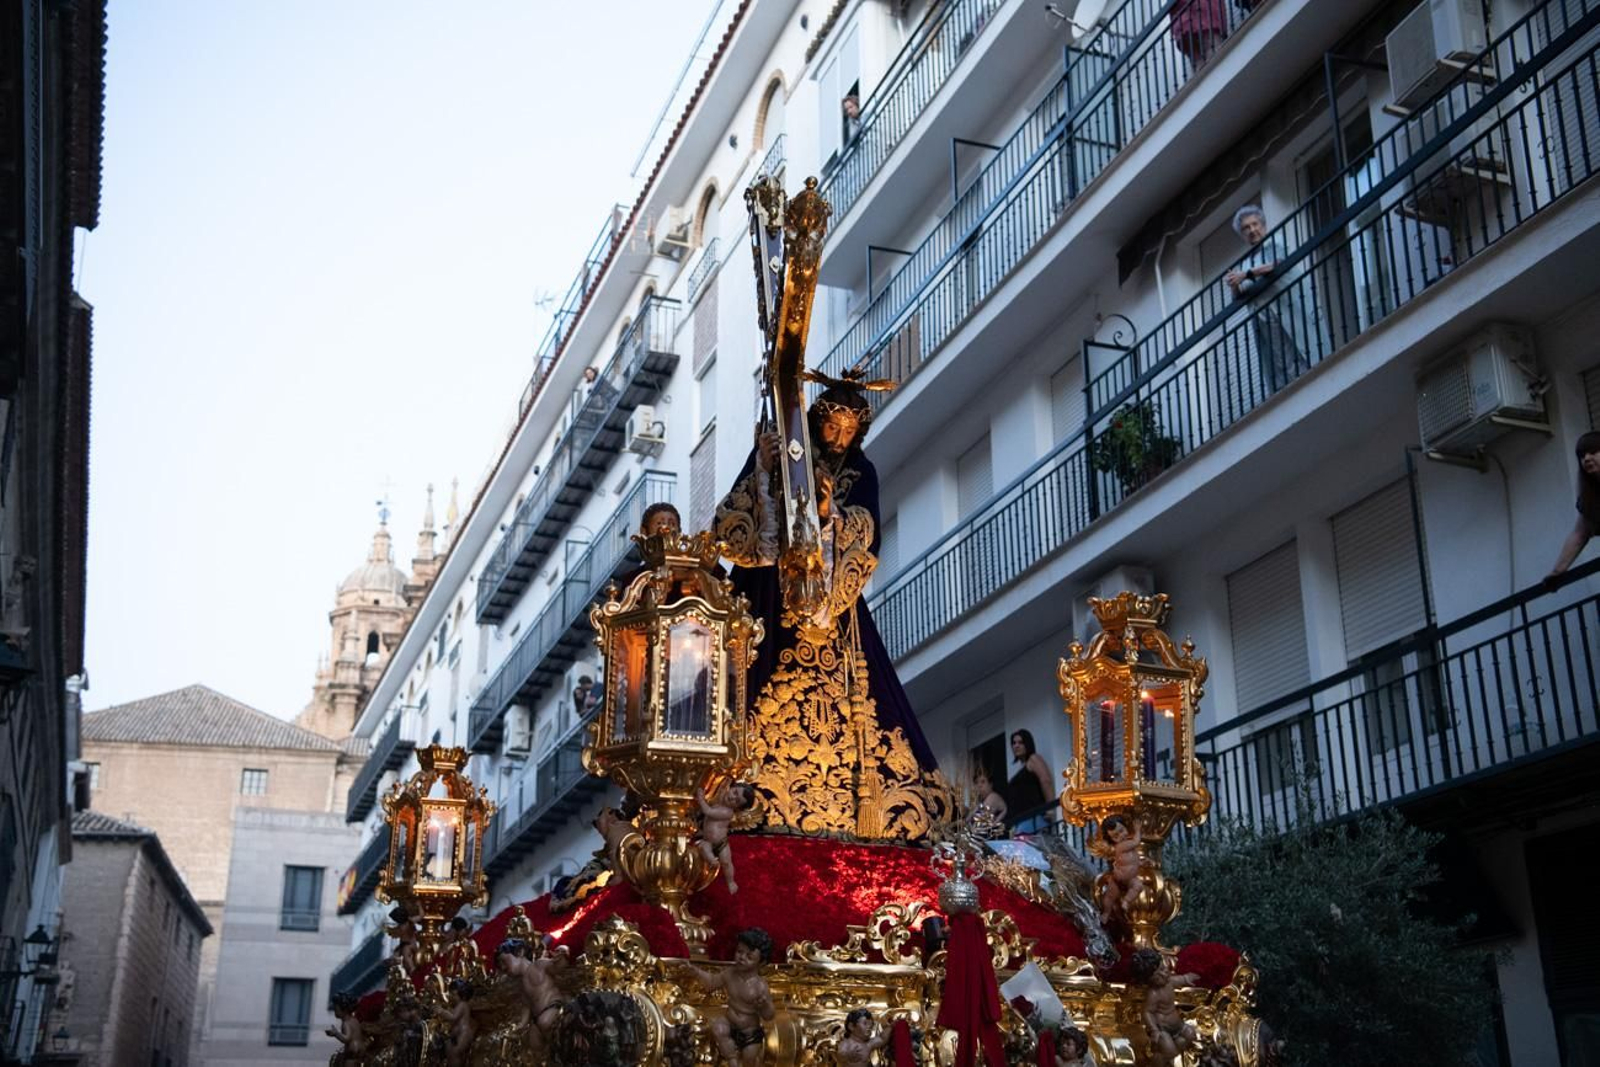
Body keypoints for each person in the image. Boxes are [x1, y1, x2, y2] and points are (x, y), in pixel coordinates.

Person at [715, 372, 937, 769]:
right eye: (832, 427)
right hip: (766, 582)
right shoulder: (781, 449)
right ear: (818, 422)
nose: (837, 438)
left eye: (848, 431)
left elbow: (868, 529)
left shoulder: (861, 472)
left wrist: (828, 513)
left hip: (829, 595)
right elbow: (731, 524)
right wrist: (763, 469)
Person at [1226, 204, 1316, 396]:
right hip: (1265, 318)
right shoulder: (1246, 261)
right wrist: (1234, 282)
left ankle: (1309, 382)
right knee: (1278, 357)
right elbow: (1239, 297)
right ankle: (1291, 390)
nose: (1252, 230)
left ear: (1263, 225)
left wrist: (1246, 274)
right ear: (1242, 234)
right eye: (1246, 228)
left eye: (1254, 224)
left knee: (1300, 346)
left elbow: (1277, 264)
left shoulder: (1274, 241)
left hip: (1287, 308)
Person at [686, 929, 776, 1067]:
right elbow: (711, 983)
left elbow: (769, 1015)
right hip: (729, 1022)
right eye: (739, 952)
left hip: (750, 1032)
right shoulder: (730, 974)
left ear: (761, 963)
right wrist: (696, 972)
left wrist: (763, 1005)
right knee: (719, 1028)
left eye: (749, 956)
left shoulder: (760, 986)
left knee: (749, 1059)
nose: (742, 958)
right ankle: (732, 1060)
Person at [1546, 430, 1600, 589]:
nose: (1587, 458)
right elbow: (1579, 534)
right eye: (1582, 455)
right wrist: (1558, 570)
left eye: (1593, 452)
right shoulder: (1591, 498)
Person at [1130, 949, 1200, 1064]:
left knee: (1191, 1035)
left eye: (1163, 969)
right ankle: (1157, 1062)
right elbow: (1147, 1012)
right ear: (1148, 980)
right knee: (1169, 1050)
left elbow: (1180, 980)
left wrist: (1188, 978)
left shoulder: (1169, 982)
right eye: (1157, 976)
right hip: (1163, 1030)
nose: (1163, 974)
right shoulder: (1153, 994)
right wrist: (1154, 1030)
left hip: (1178, 1025)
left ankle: (1176, 1058)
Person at [695, 782, 757, 893]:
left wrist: (700, 798)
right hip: (707, 840)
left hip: (721, 843)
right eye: (734, 792)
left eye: (737, 801)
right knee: (703, 847)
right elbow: (721, 787)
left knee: (727, 863)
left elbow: (708, 811)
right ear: (731, 787)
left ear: (737, 808)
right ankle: (712, 861)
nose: (732, 798)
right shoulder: (720, 800)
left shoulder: (727, 812)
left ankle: (730, 882)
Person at [1096, 814, 1144, 927]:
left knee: (1138, 886)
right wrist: (1137, 829)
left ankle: (1126, 901)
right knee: (1110, 896)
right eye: (1115, 836)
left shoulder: (1128, 848)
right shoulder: (1121, 846)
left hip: (1129, 879)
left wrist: (1142, 862)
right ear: (1111, 839)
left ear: (1126, 827)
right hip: (1119, 877)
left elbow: (1133, 859)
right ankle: (1106, 913)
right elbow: (1136, 841)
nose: (1120, 836)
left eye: (1121, 831)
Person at [1006, 729, 1054, 828]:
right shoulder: (1022, 767)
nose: (1016, 746)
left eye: (1020, 742)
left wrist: (1050, 809)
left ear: (1027, 744)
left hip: (1033, 818)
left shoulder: (1033, 759)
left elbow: (1045, 780)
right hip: (1023, 820)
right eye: (1014, 743)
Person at [1171, 0, 1229, 69]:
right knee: (1209, 50)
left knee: (1210, 49)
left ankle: (1213, 73)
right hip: (1190, 20)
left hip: (1198, 17)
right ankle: (1214, 73)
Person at [326, 991, 367, 1062]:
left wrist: (336, 1034)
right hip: (360, 1047)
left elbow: (347, 1038)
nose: (335, 1011)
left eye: (336, 1009)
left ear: (344, 1009)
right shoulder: (354, 1020)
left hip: (352, 1050)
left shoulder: (346, 1023)